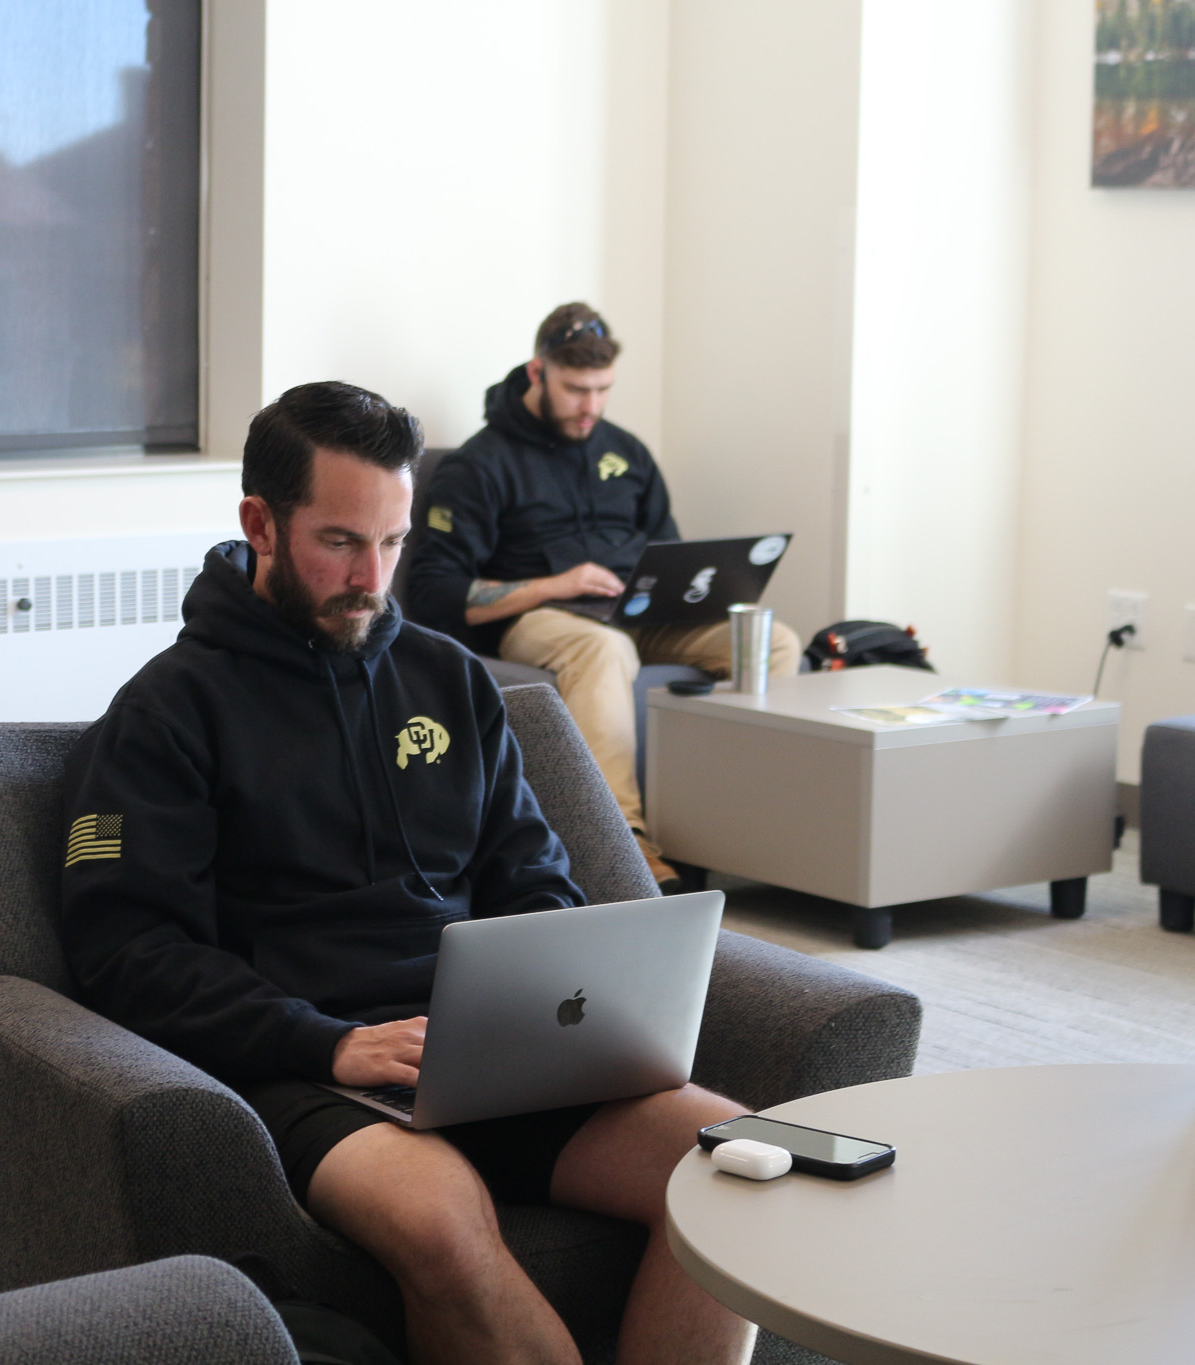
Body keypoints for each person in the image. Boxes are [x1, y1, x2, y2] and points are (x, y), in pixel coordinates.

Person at [60, 381, 753, 1365]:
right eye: (340, 542)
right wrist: (323, 1041)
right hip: (303, 1066)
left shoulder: (450, 680)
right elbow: (125, 950)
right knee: (438, 1222)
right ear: (259, 522)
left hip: (481, 1050)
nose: (370, 576)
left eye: (391, 544)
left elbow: (531, 876)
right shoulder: (167, 713)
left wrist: (556, 1003)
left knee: (731, 1163)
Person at [403, 303, 802, 887]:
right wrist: (554, 585)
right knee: (604, 651)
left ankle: (750, 827)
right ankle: (623, 843)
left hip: (637, 609)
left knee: (772, 641)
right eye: (575, 389)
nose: (591, 406)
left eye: (602, 389)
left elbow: (670, 548)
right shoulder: (480, 465)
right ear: (537, 373)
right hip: (542, 617)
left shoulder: (627, 451)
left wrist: (688, 589)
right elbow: (433, 592)